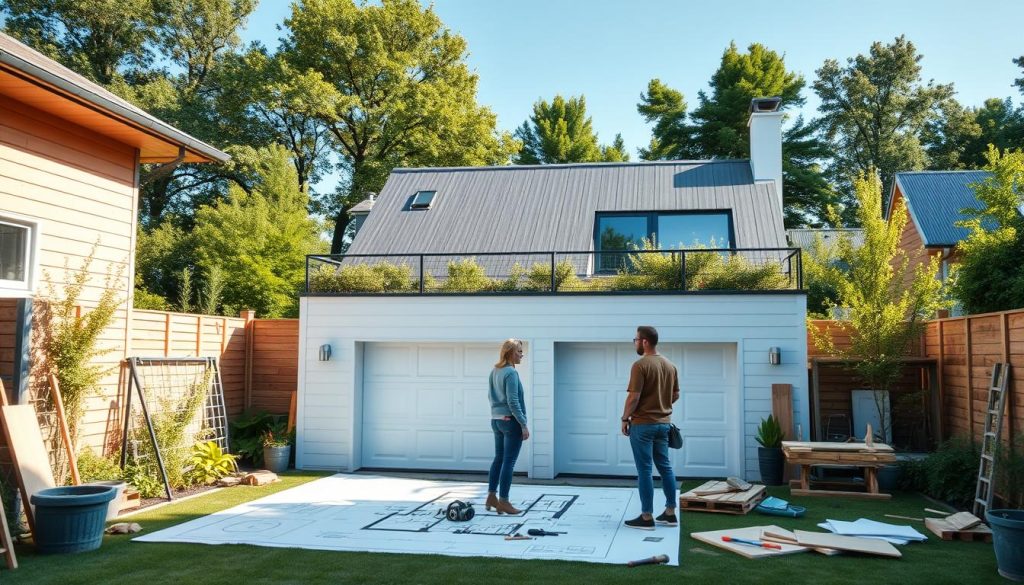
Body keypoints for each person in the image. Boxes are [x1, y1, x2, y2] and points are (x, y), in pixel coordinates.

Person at [620, 325, 680, 530]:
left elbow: (633, 396)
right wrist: (661, 405)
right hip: (664, 425)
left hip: (643, 425)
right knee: (665, 467)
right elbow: (675, 395)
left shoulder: (640, 365)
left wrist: (624, 418)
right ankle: (670, 513)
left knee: (645, 470)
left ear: (645, 341)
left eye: (636, 339)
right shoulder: (670, 365)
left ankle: (646, 517)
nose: (635, 343)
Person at [486, 338, 530, 515]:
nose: (522, 354)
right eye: (519, 351)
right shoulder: (511, 373)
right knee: (508, 462)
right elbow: (513, 401)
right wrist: (523, 424)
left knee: (499, 459)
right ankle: (503, 501)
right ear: (510, 352)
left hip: (496, 420)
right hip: (510, 422)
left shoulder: (495, 371)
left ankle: (491, 496)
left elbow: (490, 397)